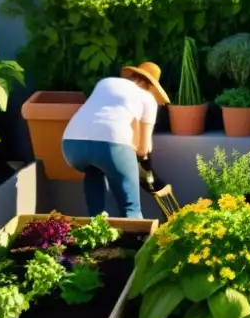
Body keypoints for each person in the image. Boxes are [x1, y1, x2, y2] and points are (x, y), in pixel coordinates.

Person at [61, 62, 170, 219]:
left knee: (93, 171)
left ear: (132, 76)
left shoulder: (105, 83)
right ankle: (136, 239)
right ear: (152, 87)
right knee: (130, 207)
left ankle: (96, 226)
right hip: (110, 147)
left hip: (72, 145)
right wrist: (141, 167)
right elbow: (143, 148)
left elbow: (103, 117)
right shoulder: (147, 98)